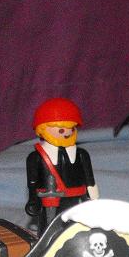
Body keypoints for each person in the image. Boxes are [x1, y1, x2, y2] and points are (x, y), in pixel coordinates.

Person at [25, 98, 99, 233]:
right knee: (48, 230)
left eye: (72, 129)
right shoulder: (36, 157)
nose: (68, 133)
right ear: (42, 130)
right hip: (50, 202)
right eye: (61, 130)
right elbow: (32, 182)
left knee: (76, 228)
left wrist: (93, 198)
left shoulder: (81, 155)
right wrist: (33, 200)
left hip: (77, 200)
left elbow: (89, 180)